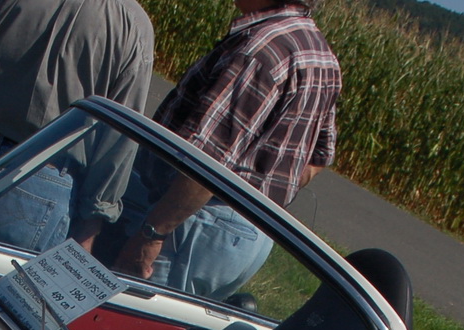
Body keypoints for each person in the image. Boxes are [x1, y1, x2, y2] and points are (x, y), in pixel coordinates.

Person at [114, 0, 340, 300]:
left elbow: (205, 164)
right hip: (251, 233)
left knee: (129, 314)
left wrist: (152, 233)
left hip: (194, 222)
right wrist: (259, 185)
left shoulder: (260, 49)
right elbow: (317, 159)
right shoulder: (320, 54)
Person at [0, 0, 154, 250]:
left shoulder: (133, 24)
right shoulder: (133, 25)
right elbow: (118, 139)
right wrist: (91, 225)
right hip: (45, 176)